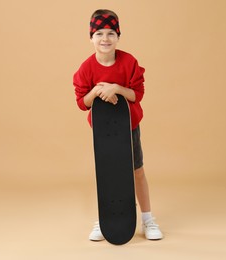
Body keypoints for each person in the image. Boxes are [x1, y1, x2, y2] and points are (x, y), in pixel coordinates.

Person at [73, 9, 163, 241]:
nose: (105, 38)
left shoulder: (129, 62)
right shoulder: (86, 68)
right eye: (99, 33)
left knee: (137, 171)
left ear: (118, 36)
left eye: (111, 33)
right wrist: (95, 91)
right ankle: (104, 220)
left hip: (128, 128)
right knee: (107, 174)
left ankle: (147, 219)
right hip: (103, 133)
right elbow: (82, 103)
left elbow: (137, 95)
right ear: (91, 37)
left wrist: (116, 89)